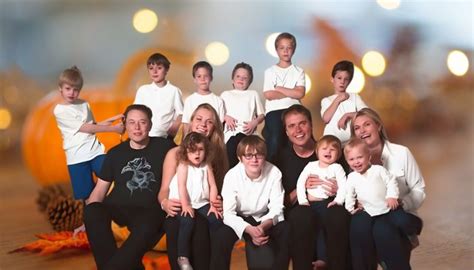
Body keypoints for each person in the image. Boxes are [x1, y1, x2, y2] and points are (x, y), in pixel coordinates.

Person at [83, 104, 175, 270]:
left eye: (142, 122)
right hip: (119, 207)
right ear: (125, 125)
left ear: (150, 125)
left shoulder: (165, 147)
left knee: (150, 221)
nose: (137, 127)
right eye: (132, 122)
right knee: (92, 211)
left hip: (152, 210)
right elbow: (99, 191)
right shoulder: (115, 153)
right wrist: (88, 218)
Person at [273, 104, 350, 270]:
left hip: (330, 206)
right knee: (302, 216)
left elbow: (352, 188)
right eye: (291, 126)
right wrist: (301, 192)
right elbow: (278, 203)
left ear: (311, 125)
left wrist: (339, 190)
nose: (298, 130)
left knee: (338, 215)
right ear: (286, 131)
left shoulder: (331, 151)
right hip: (301, 211)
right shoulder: (280, 159)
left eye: (302, 123)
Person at [350, 108, 425, 270]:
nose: (362, 131)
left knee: (383, 229)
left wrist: (402, 203)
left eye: (367, 124)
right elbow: (349, 191)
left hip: (399, 214)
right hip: (370, 215)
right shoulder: (352, 160)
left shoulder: (401, 153)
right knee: (359, 225)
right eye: (357, 128)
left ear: (378, 126)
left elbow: (419, 190)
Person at [53, 66, 124, 234]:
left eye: (75, 89)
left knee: (113, 175)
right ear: (60, 89)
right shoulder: (60, 110)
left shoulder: (84, 104)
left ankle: (118, 213)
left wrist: (110, 121)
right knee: (86, 194)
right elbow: (84, 128)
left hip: (95, 151)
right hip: (76, 157)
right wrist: (113, 130)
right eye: (68, 89)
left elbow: (93, 126)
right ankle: (91, 223)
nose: (71, 93)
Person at [158, 103, 229, 270]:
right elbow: (164, 191)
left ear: (215, 128)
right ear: (190, 122)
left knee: (215, 224)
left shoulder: (216, 157)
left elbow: (217, 189)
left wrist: (219, 202)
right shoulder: (175, 154)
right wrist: (165, 203)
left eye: (209, 121)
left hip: (203, 206)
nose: (203, 124)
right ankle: (183, 262)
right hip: (180, 207)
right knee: (185, 224)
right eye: (199, 119)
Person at [211, 135, 289, 270]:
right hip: (239, 217)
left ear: (265, 156)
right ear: (240, 158)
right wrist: (248, 229)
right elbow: (228, 214)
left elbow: (277, 208)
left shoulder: (274, 172)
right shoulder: (232, 175)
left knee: (286, 230)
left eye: (259, 155)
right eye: (248, 155)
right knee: (221, 237)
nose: (254, 159)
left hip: (264, 217)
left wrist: (262, 227)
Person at [168, 132, 222, 270]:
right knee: (188, 220)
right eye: (192, 151)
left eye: (200, 150)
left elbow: (213, 185)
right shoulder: (183, 165)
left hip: (201, 202)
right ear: (185, 152)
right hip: (182, 201)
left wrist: (213, 204)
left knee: (215, 219)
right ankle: (183, 257)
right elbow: (182, 186)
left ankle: (216, 253)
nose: (197, 154)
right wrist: (185, 205)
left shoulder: (206, 165)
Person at [295, 135, 347, 267]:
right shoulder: (311, 165)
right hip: (309, 204)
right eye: (324, 148)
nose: (328, 151)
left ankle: (323, 258)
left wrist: (338, 201)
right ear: (317, 151)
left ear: (339, 154)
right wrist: (303, 201)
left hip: (326, 203)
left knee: (324, 229)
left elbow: (344, 186)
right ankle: (309, 260)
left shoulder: (337, 168)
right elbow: (301, 182)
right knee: (311, 228)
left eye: (332, 149)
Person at [262, 32, 306, 161]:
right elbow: (269, 94)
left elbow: (300, 93)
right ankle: (271, 164)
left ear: (294, 50)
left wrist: (279, 88)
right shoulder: (270, 71)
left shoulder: (299, 71)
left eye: (289, 48)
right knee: (276, 139)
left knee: (300, 139)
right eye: (282, 48)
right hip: (274, 111)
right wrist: (292, 91)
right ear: (277, 50)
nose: (285, 51)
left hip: (294, 109)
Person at [220, 62, 265, 168]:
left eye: (245, 78)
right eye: (238, 76)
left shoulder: (253, 94)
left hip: (248, 134)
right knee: (231, 161)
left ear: (249, 81)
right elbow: (218, 114)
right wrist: (226, 117)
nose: (241, 79)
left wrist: (255, 122)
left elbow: (262, 115)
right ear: (232, 79)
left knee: (252, 157)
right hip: (231, 135)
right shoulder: (225, 94)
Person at [134, 52, 184, 140]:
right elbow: (134, 112)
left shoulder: (174, 91)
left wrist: (174, 128)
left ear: (166, 69)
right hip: (144, 136)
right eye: (151, 68)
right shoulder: (143, 90)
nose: (155, 71)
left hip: (164, 137)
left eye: (159, 68)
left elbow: (181, 114)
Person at [321, 60, 367, 146]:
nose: (342, 82)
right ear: (332, 79)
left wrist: (348, 115)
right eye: (339, 78)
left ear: (349, 82)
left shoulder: (354, 97)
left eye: (346, 79)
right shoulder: (327, 100)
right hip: (331, 144)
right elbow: (326, 118)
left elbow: (367, 114)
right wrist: (338, 99)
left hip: (352, 144)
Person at [182, 61, 225, 134]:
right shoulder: (190, 100)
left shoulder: (218, 100)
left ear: (211, 78)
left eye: (206, 76)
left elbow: (220, 125)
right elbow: (186, 124)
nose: (202, 79)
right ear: (194, 79)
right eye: (199, 76)